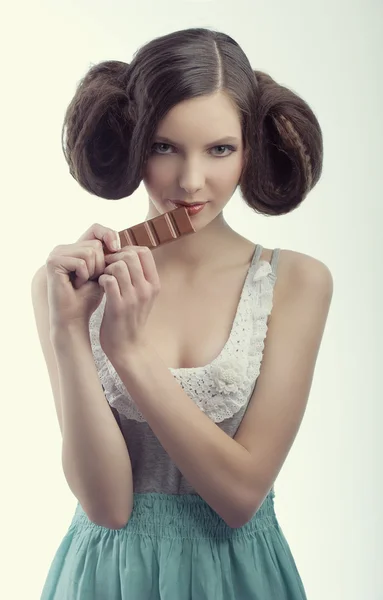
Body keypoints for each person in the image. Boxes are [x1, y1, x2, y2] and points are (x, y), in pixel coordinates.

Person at [32, 27, 333, 600]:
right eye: (165, 147)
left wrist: (130, 355)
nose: (192, 181)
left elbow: (240, 497)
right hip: (105, 578)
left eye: (220, 149)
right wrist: (71, 330)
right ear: (132, 141)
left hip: (239, 577)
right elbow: (108, 508)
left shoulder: (295, 281)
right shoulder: (70, 288)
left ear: (250, 149)